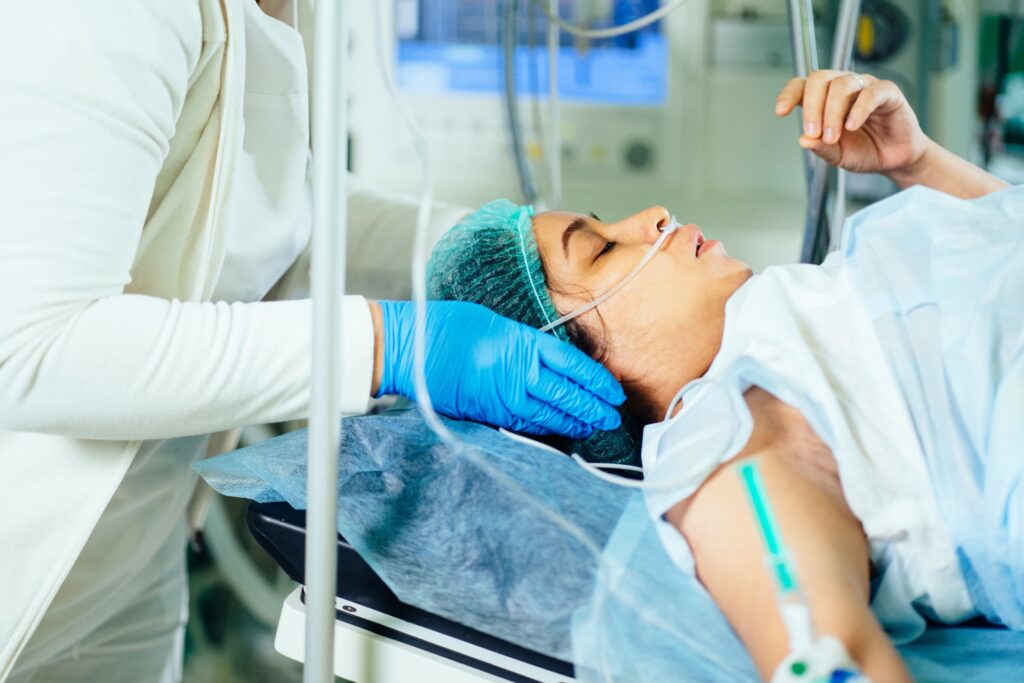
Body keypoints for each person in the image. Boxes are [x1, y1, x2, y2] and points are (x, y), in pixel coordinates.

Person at [0, 2, 625, 680]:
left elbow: (280, 215)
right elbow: (31, 349)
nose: (658, 223)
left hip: (126, 558)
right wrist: (386, 344)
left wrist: (495, 255)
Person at [426, 70, 1022, 681]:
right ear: (571, 374)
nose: (654, 217)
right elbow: (826, 659)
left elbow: (985, 269)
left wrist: (916, 162)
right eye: (602, 249)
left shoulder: (786, 328)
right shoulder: (728, 443)